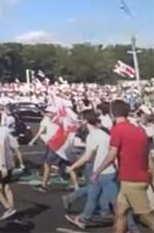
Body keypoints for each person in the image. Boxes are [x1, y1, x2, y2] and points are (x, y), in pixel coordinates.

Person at [92, 99, 154, 233]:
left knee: (146, 215)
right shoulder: (139, 130)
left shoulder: (117, 130)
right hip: (139, 177)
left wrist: (97, 171)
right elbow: (148, 157)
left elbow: (112, 154)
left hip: (131, 179)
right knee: (120, 212)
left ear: (112, 113)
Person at [64, 110, 123, 229]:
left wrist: (72, 167)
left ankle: (129, 225)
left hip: (102, 172)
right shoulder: (104, 134)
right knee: (94, 195)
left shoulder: (93, 136)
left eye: (81, 120)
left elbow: (87, 157)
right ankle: (84, 218)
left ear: (86, 121)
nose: (80, 122)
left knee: (113, 201)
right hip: (105, 171)